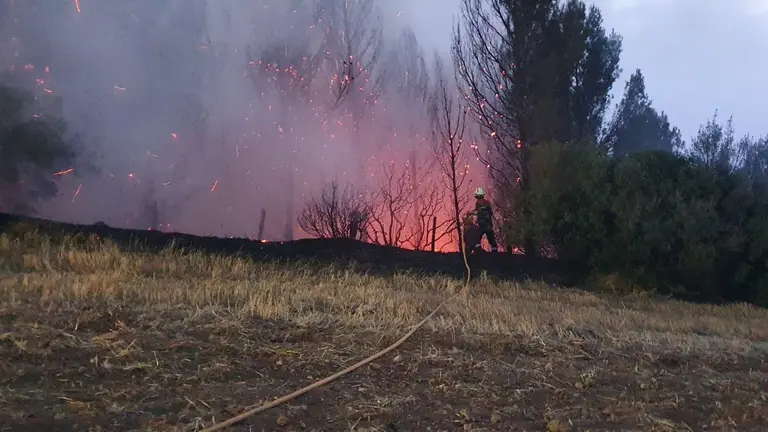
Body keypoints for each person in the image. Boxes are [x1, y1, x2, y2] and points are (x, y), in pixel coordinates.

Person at [470, 187, 498, 252]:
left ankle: (478, 249)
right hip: (488, 224)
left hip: (484, 224)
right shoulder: (486, 203)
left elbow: (480, 212)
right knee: (490, 237)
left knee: (477, 236)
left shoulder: (478, 203)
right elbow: (490, 212)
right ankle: (494, 250)